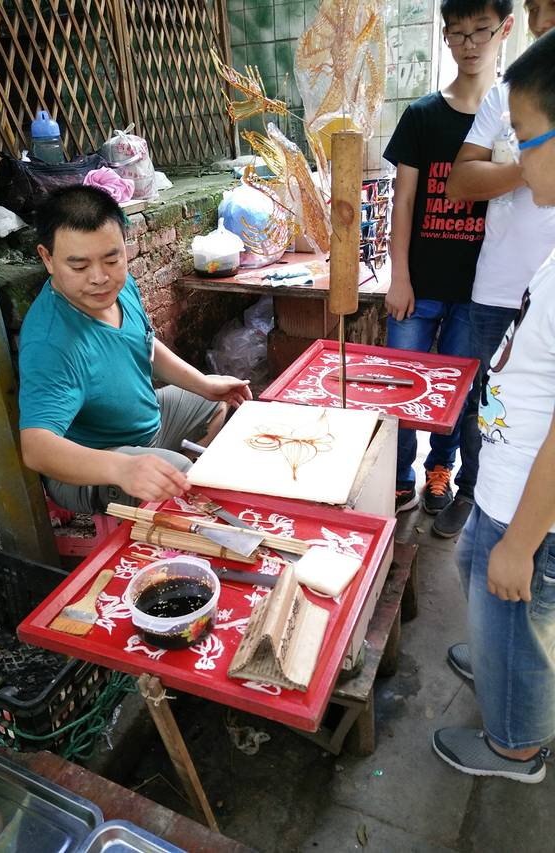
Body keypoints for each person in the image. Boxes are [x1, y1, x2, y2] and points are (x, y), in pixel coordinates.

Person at [433, 28, 555, 783]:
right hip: (507, 488)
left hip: (532, 509)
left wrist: (526, 540)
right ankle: (493, 654)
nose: (517, 156)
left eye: (526, 137)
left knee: (514, 601)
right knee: (475, 565)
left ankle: (516, 744)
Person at [18, 185, 252, 513]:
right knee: (183, 476)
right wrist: (123, 468)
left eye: (112, 259)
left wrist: (203, 384)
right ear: (48, 258)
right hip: (94, 461)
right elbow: (36, 448)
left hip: (147, 423)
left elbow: (143, 343)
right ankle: (160, 504)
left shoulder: (119, 286)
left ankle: (162, 490)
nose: (99, 278)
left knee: (214, 401)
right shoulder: (51, 343)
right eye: (79, 267)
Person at [383, 0, 513, 521]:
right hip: (419, 286)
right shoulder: (422, 116)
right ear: (445, 37)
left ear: (504, 30)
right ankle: (398, 477)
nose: (470, 44)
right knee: (400, 384)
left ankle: (441, 468)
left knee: (456, 393)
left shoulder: (511, 121)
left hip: (478, 292)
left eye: (481, 30)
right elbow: (404, 202)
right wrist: (399, 276)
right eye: (457, 33)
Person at [440, 0, 555, 537]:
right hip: (500, 290)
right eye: (536, 8)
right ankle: (478, 499)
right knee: (488, 409)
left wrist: (514, 164)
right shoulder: (507, 93)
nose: (542, 21)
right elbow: (460, 183)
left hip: (544, 290)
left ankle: (525, 535)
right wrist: (529, 165)